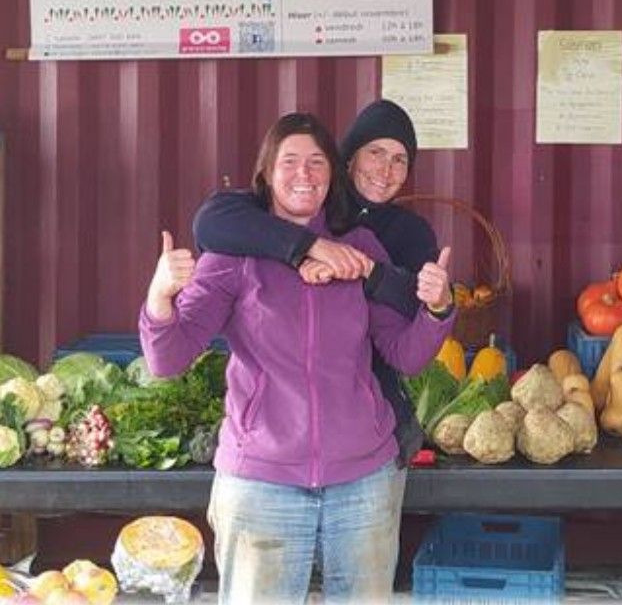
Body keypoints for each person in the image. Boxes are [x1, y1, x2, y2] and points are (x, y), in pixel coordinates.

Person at [140, 112, 454, 604]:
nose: (304, 174)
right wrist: (160, 297)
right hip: (262, 479)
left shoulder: (360, 247)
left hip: (362, 479)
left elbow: (405, 355)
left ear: (333, 176)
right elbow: (167, 359)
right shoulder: (234, 251)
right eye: (290, 162)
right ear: (266, 173)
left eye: (315, 163)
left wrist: (439, 310)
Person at [192, 100, 441, 468]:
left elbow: (414, 304)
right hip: (281, 427)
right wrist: (310, 246)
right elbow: (210, 223)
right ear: (348, 159)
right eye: (375, 152)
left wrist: (362, 270)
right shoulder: (296, 205)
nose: (385, 170)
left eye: (399, 159)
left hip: (371, 422)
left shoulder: (410, 232)